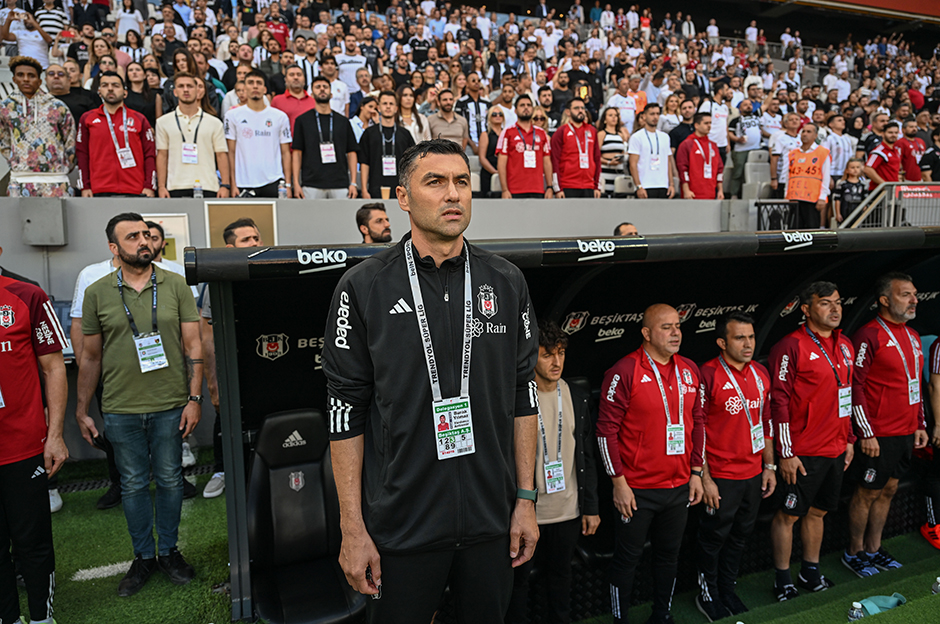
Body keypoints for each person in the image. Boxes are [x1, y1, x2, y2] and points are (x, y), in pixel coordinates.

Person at [322, 139, 540, 623]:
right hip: (401, 528)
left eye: (462, 182)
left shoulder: (506, 280)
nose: (453, 195)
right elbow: (344, 414)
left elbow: (524, 399)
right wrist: (353, 528)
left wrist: (525, 500)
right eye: (435, 182)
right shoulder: (363, 286)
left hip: (491, 522)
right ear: (402, 198)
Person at [75, 212, 202, 597]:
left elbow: (194, 346)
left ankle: (169, 552)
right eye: (132, 237)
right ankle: (143, 556)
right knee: (131, 485)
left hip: (170, 405)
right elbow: (90, 358)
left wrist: (194, 399)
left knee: (169, 480)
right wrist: (82, 409)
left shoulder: (177, 284)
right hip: (119, 407)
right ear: (114, 248)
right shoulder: (97, 291)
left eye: (146, 235)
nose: (143, 242)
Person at [596, 304, 705, 624]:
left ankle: (662, 615)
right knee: (627, 559)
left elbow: (697, 423)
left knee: (668, 557)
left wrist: (696, 473)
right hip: (637, 490)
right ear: (646, 333)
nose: (676, 333)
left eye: (678, 327)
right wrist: (618, 483)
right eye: (666, 327)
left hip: (678, 487)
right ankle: (620, 620)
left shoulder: (689, 369)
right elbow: (605, 432)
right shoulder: (624, 371)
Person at [506, 320, 599, 624]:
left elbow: (586, 452)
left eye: (560, 353)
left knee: (560, 578)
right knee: (517, 585)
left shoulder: (576, 395)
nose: (556, 361)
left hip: (567, 511)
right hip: (526, 513)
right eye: (547, 354)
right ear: (531, 356)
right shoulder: (514, 398)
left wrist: (591, 507)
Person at [769, 281, 855, 602]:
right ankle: (782, 579)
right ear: (806, 310)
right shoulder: (790, 345)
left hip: (835, 448)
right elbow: (778, 402)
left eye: (837, 302)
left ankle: (810, 571)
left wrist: (848, 438)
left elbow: (845, 394)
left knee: (818, 512)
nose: (834, 309)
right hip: (802, 452)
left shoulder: (844, 344)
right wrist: (786, 453)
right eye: (825, 304)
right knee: (788, 516)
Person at [844, 273, 928, 576]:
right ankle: (853, 553)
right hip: (878, 435)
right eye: (906, 294)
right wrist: (866, 432)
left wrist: (920, 422)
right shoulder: (869, 335)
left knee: (889, 489)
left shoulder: (913, 335)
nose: (914, 300)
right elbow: (855, 386)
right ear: (884, 300)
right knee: (867, 493)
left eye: (914, 294)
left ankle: (874, 548)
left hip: (906, 431)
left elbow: (914, 382)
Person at [694, 312, 775, 620]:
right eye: (740, 338)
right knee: (713, 538)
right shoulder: (708, 374)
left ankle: (727, 590)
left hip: (753, 474)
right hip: (721, 476)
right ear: (721, 342)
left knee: (740, 535)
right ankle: (707, 594)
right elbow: (696, 427)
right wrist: (705, 478)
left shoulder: (760, 373)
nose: (748, 343)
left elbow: (765, 423)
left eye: (751, 337)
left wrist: (770, 466)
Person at [0, 266, 68, 624]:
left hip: (23, 446)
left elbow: (54, 367)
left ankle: (42, 618)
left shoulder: (26, 296)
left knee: (33, 543)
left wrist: (54, 434)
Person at [200, 218, 263, 499]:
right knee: (223, 420)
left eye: (256, 238)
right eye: (246, 240)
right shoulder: (217, 279)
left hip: (262, 364)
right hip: (230, 367)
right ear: (230, 247)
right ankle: (221, 470)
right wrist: (213, 382)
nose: (255, 243)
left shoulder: (268, 273)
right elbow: (206, 336)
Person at [1, 56, 75, 197]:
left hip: (56, 179)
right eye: (20, 75)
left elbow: (70, 140)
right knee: (19, 219)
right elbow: (2, 140)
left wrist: (62, 165)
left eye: (31, 76)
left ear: (40, 81)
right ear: (14, 79)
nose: (26, 79)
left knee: (58, 219)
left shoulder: (57, 106)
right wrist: (15, 160)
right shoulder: (4, 108)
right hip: (20, 178)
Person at [76, 72, 156, 197]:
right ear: (99, 92)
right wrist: (85, 186)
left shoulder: (139, 119)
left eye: (115, 85)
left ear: (125, 93)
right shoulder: (87, 119)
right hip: (99, 190)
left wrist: (149, 186)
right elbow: (82, 155)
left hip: (136, 189)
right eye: (105, 85)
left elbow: (150, 155)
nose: (110, 88)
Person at [156, 72, 230, 198]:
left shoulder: (214, 122)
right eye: (181, 86)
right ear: (175, 92)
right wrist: (161, 186)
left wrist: (225, 185)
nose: (185, 90)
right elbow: (162, 155)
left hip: (208, 185)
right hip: (175, 186)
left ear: (198, 91)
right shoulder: (163, 122)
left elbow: (221, 155)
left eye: (190, 86)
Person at [224, 69, 292, 197]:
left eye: (259, 83)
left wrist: (288, 184)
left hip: (274, 180)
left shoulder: (280, 116)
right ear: (244, 88)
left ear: (265, 89)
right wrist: (232, 184)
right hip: (243, 182)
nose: (255, 86)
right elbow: (230, 152)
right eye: (250, 82)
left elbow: (286, 152)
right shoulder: (232, 115)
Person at [292, 76, 359, 199]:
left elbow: (351, 152)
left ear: (331, 94)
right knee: (311, 218)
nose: (322, 90)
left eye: (325, 87)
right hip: (311, 183)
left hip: (340, 183)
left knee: (341, 218)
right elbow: (297, 153)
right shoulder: (302, 121)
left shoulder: (343, 121)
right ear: (311, 94)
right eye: (318, 87)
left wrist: (353, 183)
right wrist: (296, 183)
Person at [359, 90, 416, 199]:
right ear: (379, 108)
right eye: (384, 104)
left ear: (396, 109)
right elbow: (364, 163)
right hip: (375, 188)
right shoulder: (369, 133)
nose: (388, 107)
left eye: (391, 104)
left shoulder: (405, 133)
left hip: (400, 189)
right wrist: (364, 190)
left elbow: (411, 164)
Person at [497, 94, 553, 199]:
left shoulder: (542, 133)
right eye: (522, 105)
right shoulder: (507, 132)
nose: (526, 107)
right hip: (514, 189)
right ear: (515, 110)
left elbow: (547, 161)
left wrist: (549, 187)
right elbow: (501, 163)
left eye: (529, 105)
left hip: (538, 189)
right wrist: (505, 189)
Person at [779, 123, 831, 228]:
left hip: (812, 199)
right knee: (793, 230)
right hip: (794, 198)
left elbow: (826, 177)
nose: (805, 134)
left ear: (815, 135)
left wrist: (822, 197)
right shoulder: (793, 153)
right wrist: (786, 195)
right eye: (803, 131)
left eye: (809, 131)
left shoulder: (822, 152)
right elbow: (789, 175)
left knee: (811, 231)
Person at [550, 98, 600, 198]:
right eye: (576, 108)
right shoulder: (561, 132)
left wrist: (597, 187)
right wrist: (558, 188)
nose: (580, 111)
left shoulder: (592, 131)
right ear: (568, 112)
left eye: (582, 108)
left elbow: (597, 159)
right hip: (567, 185)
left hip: (589, 185)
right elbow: (554, 161)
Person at [628, 103, 676, 199]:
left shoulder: (665, 137)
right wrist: (638, 186)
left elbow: (668, 162)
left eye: (657, 114)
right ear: (644, 116)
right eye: (652, 114)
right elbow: (633, 164)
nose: (655, 117)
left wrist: (671, 184)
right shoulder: (636, 137)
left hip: (663, 185)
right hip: (645, 185)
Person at [676, 112, 724, 200]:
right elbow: (682, 169)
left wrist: (720, 190)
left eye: (710, 123)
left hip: (711, 193)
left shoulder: (713, 145)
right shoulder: (687, 144)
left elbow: (719, 169)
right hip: (692, 194)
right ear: (696, 125)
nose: (709, 126)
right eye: (706, 123)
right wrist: (686, 190)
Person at [727, 99, 762, 198]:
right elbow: (730, 133)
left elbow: (766, 105)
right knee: (738, 173)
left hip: (756, 149)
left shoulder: (757, 117)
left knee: (752, 174)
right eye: (745, 105)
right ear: (740, 108)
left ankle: (750, 194)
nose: (748, 106)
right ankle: (734, 194)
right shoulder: (736, 120)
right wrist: (737, 139)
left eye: (750, 104)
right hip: (741, 151)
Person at [270, 64, 316, 134]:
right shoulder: (277, 101)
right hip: (285, 143)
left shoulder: (314, 102)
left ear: (304, 79)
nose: (296, 77)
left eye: (299, 75)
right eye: (291, 75)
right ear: (285, 79)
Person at [597, 107, 629, 196]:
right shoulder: (601, 134)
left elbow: (623, 151)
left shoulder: (621, 135)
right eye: (610, 115)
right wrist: (608, 162)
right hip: (605, 170)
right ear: (605, 119)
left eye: (616, 115)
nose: (614, 118)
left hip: (618, 171)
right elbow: (595, 155)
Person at [770, 113, 802, 199]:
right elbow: (774, 159)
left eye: (797, 119)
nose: (794, 121)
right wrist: (774, 179)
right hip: (784, 177)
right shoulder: (780, 139)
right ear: (786, 124)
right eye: (791, 120)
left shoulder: (801, 138)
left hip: (799, 178)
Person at [864, 121, 901, 192]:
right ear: (883, 134)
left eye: (896, 133)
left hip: (892, 190)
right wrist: (883, 184)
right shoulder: (879, 151)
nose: (893, 135)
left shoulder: (896, 150)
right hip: (880, 191)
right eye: (890, 132)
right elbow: (868, 169)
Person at [456, 72, 487, 153]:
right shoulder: (461, 102)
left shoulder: (487, 102)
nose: (476, 82)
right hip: (468, 145)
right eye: (473, 80)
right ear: (467, 84)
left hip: (487, 144)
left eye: (478, 80)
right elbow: (459, 125)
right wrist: (472, 144)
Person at [698, 82, 730, 161]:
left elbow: (725, 126)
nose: (728, 92)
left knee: (721, 170)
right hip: (710, 142)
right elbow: (700, 122)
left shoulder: (725, 107)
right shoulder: (708, 104)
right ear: (720, 91)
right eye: (726, 90)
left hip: (722, 144)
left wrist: (728, 143)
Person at [478, 105, 503, 197]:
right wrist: (495, 172)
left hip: (504, 171)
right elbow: (482, 158)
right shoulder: (485, 135)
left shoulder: (507, 134)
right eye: (494, 114)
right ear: (489, 117)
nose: (498, 116)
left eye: (500, 114)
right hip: (488, 172)